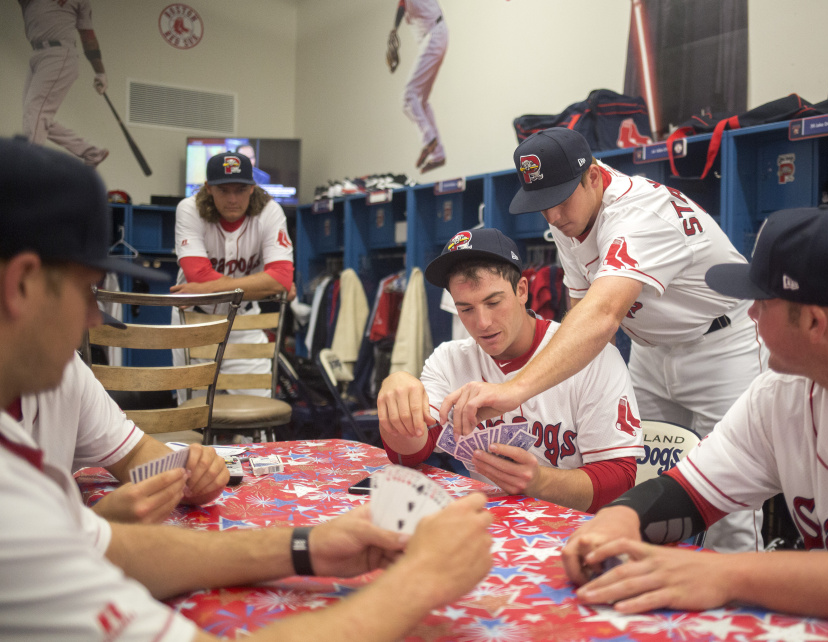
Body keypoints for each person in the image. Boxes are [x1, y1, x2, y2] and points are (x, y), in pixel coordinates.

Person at [0, 135, 494, 641]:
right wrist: (422, 581)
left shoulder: (62, 380)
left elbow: (101, 543)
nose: (92, 316)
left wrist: (307, 546)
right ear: (21, 286)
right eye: (87, 290)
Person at [561, 207, 828, 636]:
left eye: (761, 302)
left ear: (813, 322)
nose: (748, 314)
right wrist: (618, 519)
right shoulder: (781, 395)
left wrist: (728, 574)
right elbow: (685, 494)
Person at [441, 127, 768, 552]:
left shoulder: (638, 216)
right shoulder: (570, 214)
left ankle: (736, 610)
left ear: (593, 177)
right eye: (542, 206)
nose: (554, 217)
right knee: (641, 480)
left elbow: (602, 317)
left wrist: (513, 390)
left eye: (560, 200)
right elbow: (580, 311)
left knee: (728, 501)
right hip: (650, 350)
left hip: (723, 345)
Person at [377, 228, 645, 513]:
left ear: (521, 291)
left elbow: (621, 480)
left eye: (493, 302)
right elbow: (409, 454)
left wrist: (540, 482)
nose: (482, 322)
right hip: (493, 528)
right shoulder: (449, 359)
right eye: (465, 309)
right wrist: (397, 401)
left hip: (578, 533)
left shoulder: (592, 355)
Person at [10, 351, 230, 524]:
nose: (94, 323)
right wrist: (96, 525)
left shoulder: (67, 366)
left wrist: (189, 474)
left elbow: (133, 452)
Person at [171, 150, 295, 398]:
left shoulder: (270, 212)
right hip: (194, 322)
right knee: (192, 416)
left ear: (252, 188)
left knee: (256, 413)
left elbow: (281, 277)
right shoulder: (189, 209)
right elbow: (197, 274)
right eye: (223, 190)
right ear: (208, 188)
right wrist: (263, 284)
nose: (232, 198)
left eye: (239, 189)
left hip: (245, 321)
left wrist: (209, 288)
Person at [18, 0, 109, 166]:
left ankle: (30, 172)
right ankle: (91, 151)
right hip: (37, 55)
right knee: (35, 116)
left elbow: (87, 36)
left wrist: (100, 71)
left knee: (35, 113)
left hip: (60, 53)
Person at [386, 0, 448, 174]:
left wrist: (395, 28)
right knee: (420, 101)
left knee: (408, 98)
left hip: (434, 36)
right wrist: (395, 28)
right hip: (437, 35)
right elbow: (401, 5)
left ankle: (429, 140)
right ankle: (438, 154)